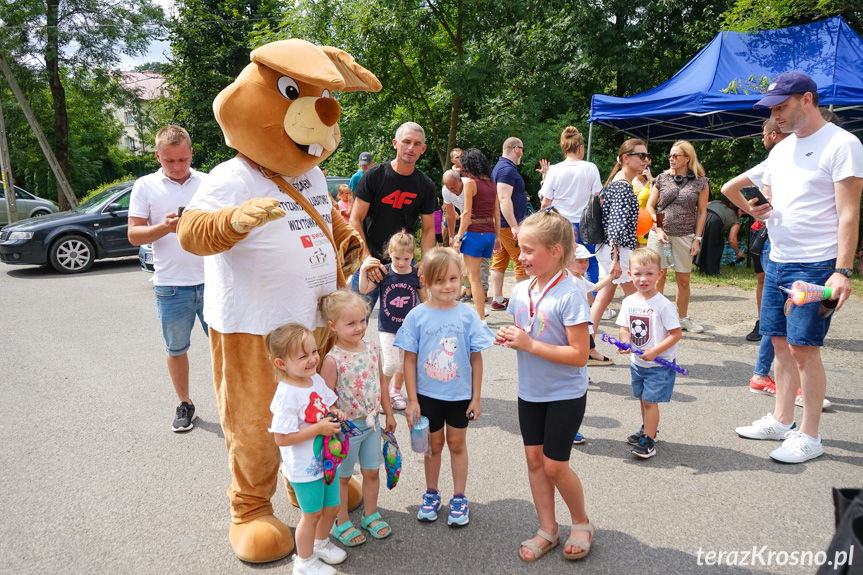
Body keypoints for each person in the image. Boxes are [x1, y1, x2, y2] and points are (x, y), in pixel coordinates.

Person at [731, 71, 863, 463]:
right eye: (772, 108)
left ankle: (810, 435)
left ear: (807, 100)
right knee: (778, 344)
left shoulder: (843, 144)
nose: (776, 115)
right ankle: (781, 419)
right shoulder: (781, 149)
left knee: (805, 349)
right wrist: (754, 209)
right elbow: (747, 193)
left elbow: (849, 213)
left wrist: (843, 270)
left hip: (818, 263)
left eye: (782, 106)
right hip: (779, 259)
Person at [493, 209, 594, 562]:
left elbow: (580, 355)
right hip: (529, 391)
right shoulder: (520, 290)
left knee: (554, 465)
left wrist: (528, 344)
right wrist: (508, 337)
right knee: (534, 461)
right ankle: (547, 529)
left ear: (555, 251)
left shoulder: (570, 295)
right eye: (520, 249)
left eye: (529, 250)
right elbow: (526, 330)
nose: (520, 257)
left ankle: (581, 523)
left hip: (565, 393)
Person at [394, 247, 494, 527]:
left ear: (461, 277)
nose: (447, 286)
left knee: (457, 444)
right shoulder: (416, 316)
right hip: (427, 396)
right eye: (439, 280)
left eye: (452, 278)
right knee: (433, 446)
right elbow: (409, 361)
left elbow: (476, 358)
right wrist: (412, 400)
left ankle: (459, 497)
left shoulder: (468, 315)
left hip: (460, 396)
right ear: (424, 280)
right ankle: (431, 493)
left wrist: (476, 397)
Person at [128, 125, 206, 432]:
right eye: (169, 161)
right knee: (176, 348)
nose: (176, 167)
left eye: (182, 160)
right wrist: (164, 227)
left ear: (191, 153)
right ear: (158, 156)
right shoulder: (145, 185)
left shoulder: (209, 182)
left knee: (228, 347)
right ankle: (185, 404)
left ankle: (234, 403)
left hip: (215, 281)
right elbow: (134, 235)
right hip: (171, 285)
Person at [266, 323, 347, 575]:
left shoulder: (315, 379)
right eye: (303, 356)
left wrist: (334, 412)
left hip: (327, 460)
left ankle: (320, 544)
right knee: (310, 515)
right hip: (304, 468)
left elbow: (327, 403)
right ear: (281, 363)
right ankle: (303, 561)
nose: (313, 359)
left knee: (332, 507)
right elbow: (281, 437)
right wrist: (318, 429)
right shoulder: (286, 394)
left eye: (314, 351)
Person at [318, 290, 396, 547]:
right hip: (346, 430)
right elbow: (326, 398)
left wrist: (389, 413)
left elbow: (382, 384)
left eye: (362, 320)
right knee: (342, 477)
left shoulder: (373, 348)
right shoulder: (332, 359)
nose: (359, 327)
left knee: (372, 472)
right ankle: (341, 522)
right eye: (350, 323)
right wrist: (331, 426)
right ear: (333, 326)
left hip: (373, 424)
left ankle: (370, 514)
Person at [349, 123, 437, 312]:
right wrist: (366, 258)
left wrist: (426, 259)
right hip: (370, 260)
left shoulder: (426, 185)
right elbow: (355, 219)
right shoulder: (374, 176)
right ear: (395, 143)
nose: (411, 148)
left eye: (417, 144)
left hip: (403, 262)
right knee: (353, 319)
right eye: (406, 141)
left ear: (423, 149)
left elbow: (429, 228)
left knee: (409, 323)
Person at [721, 118, 788, 341]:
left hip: (786, 236)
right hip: (764, 232)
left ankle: (782, 326)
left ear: (774, 135)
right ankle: (764, 322)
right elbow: (729, 188)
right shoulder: (771, 163)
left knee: (780, 282)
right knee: (764, 279)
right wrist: (753, 212)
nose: (761, 139)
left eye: (764, 134)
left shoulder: (798, 158)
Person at [616, 249, 682, 459]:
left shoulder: (664, 305)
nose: (643, 279)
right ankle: (648, 429)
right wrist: (625, 343)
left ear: (660, 274)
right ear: (629, 275)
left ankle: (649, 441)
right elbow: (624, 329)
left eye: (649, 274)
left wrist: (655, 352)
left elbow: (675, 334)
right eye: (638, 274)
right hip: (638, 362)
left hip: (659, 364)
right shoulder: (628, 302)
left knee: (649, 401)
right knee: (643, 399)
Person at [646, 140, 710, 333]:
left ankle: (682, 318)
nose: (671, 159)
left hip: (685, 236)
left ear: (687, 159)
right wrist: (658, 229)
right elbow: (650, 206)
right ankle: (655, 317)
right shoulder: (662, 178)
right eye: (670, 156)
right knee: (658, 276)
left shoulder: (701, 182)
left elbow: (702, 212)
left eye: (676, 156)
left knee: (683, 280)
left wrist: (697, 240)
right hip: (659, 235)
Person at [358, 231, 425, 411]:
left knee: (404, 365)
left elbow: (425, 301)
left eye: (406, 258)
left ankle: (396, 392)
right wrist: (364, 268)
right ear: (389, 253)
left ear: (413, 255)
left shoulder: (415, 274)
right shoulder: (384, 272)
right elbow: (363, 289)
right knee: (391, 363)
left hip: (409, 329)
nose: (402, 263)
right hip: (388, 327)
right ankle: (382, 392)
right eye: (397, 258)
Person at [589, 139, 644, 355]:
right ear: (625, 158)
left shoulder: (617, 183)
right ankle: (642, 345)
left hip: (610, 250)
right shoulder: (622, 186)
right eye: (641, 155)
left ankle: (586, 345)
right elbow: (616, 226)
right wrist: (616, 259)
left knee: (603, 298)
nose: (645, 160)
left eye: (646, 156)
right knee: (639, 297)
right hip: (618, 251)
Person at [538, 126, 603, 283]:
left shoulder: (554, 170)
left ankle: (563, 291)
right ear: (581, 147)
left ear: (564, 148)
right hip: (586, 223)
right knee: (591, 262)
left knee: (560, 261)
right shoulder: (590, 168)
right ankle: (592, 298)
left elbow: (546, 202)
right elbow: (598, 198)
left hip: (561, 224)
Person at [566, 244, 614, 443]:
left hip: (584, 323)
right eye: (580, 261)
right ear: (567, 263)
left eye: (586, 260)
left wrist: (612, 275)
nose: (585, 264)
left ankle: (582, 373)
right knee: (576, 354)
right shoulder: (566, 278)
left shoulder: (580, 279)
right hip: (574, 324)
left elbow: (595, 288)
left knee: (582, 352)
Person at [452, 148, 501, 324]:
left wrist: (457, 238)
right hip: (488, 234)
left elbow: (466, 214)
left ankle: (480, 317)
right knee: (478, 277)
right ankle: (481, 310)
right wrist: (497, 237)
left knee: (474, 279)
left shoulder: (470, 184)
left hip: (474, 234)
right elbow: (497, 213)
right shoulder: (492, 184)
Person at [490, 137, 530, 310]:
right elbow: (504, 198)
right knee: (522, 260)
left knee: (500, 260)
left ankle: (498, 299)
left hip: (503, 223)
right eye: (522, 149)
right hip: (507, 224)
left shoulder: (503, 168)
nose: (522, 152)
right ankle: (523, 303)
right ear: (516, 149)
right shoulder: (506, 170)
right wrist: (514, 225)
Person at [442, 169, 490, 300]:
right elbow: (450, 214)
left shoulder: (470, 184)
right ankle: (469, 288)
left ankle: (483, 290)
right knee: (463, 257)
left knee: (480, 256)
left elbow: (470, 213)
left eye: (453, 187)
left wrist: (460, 236)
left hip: (480, 221)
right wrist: (452, 236)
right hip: (466, 221)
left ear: (459, 180)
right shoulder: (446, 190)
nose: (451, 191)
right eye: (448, 188)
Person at [693, 197, 743, 276]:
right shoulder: (736, 220)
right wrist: (738, 252)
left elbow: (700, 206)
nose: (740, 216)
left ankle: (697, 265)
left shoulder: (718, 202)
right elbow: (732, 239)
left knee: (698, 241)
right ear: (739, 210)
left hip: (698, 217)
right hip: (714, 221)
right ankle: (712, 270)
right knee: (715, 245)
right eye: (742, 214)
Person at [632, 163, 654, 246]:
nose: (639, 171)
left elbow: (655, 199)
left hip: (644, 222)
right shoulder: (629, 180)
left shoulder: (653, 182)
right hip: (630, 220)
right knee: (629, 250)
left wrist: (650, 179)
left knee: (643, 248)